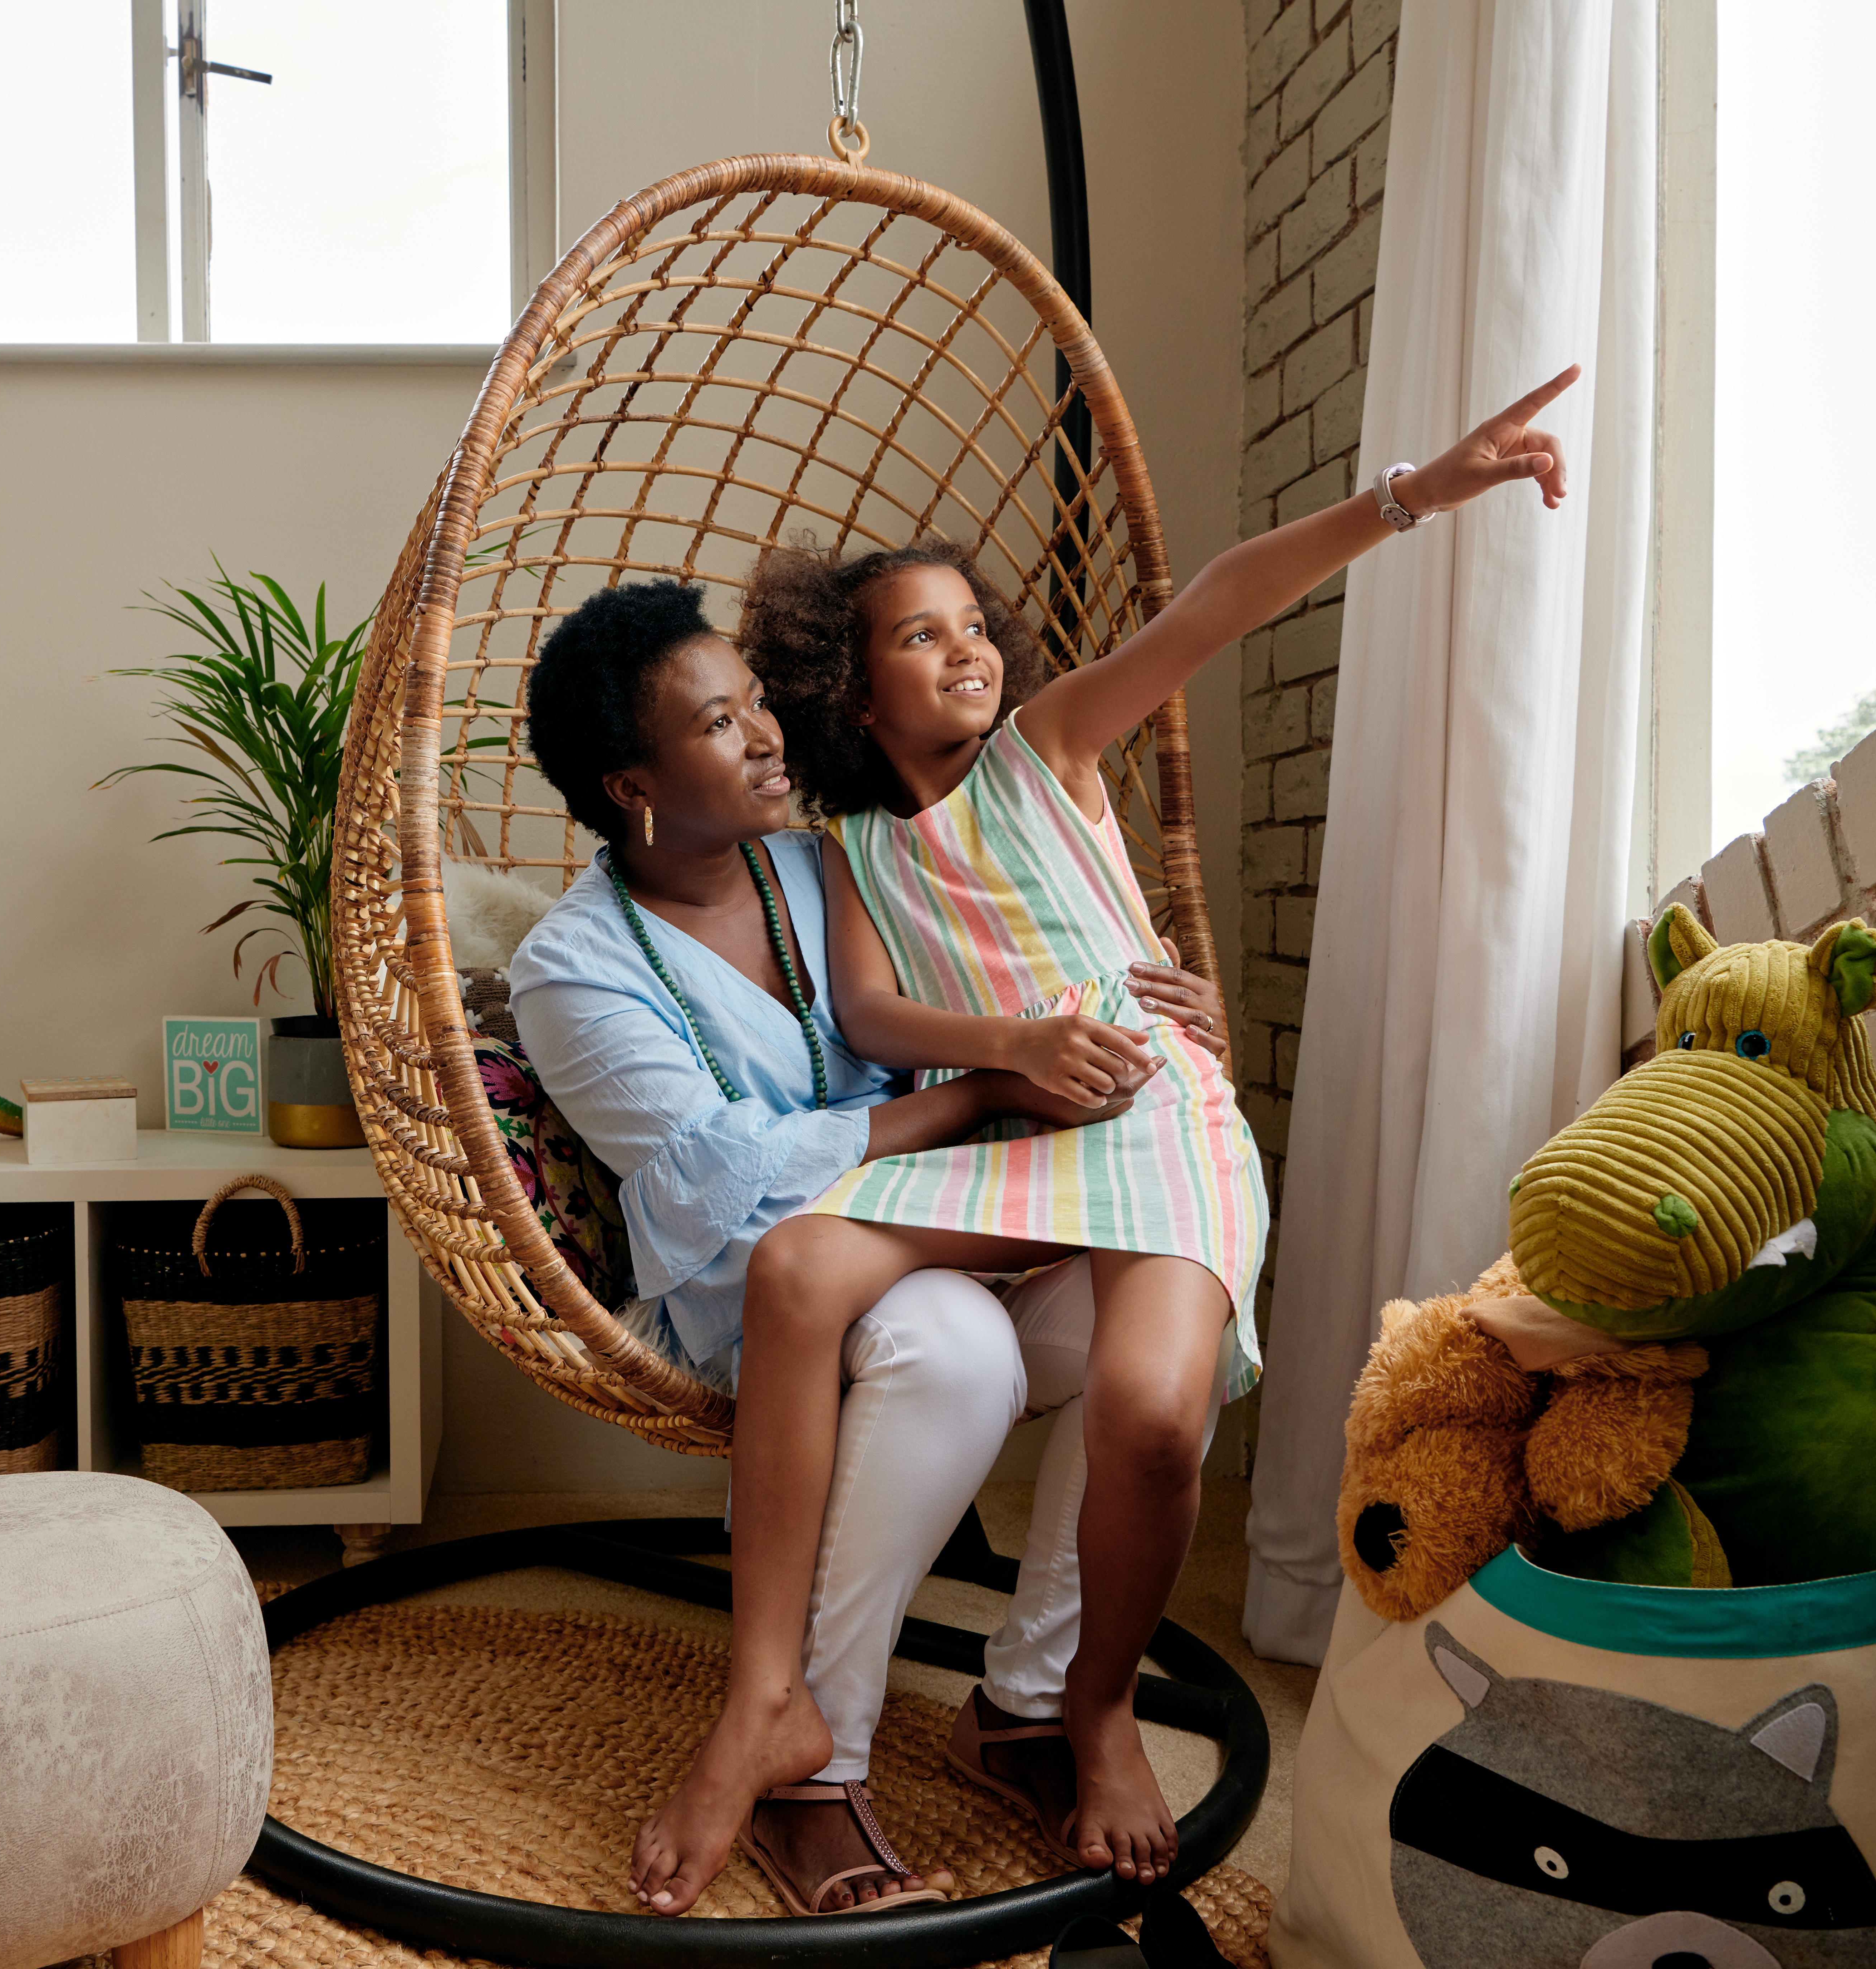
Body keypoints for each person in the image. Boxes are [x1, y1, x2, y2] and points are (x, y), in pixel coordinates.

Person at [670, 367, 1583, 1891]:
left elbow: (1215, 605)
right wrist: (1013, 1047)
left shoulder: (1046, 749)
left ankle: (1086, 1707)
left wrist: (1419, 492)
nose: (965, 647)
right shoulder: (854, 849)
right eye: (919, 635)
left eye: (973, 624)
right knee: (796, 1266)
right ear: (854, 692)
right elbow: (876, 1016)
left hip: (1154, 1116)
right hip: (1020, 1130)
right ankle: (765, 1700)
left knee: (1154, 1416)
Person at [505, 580, 1229, 1916]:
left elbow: (1017, 978)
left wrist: (1158, 1007)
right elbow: (724, 1178)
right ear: (632, 787)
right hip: (767, 1291)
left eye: (758, 702)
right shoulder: (573, 966)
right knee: (953, 1348)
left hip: (958, 1230)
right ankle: (813, 1758)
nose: (765, 735)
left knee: (1157, 1297)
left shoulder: (836, 861)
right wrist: (980, 1093)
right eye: (719, 724)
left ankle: (1028, 1704)